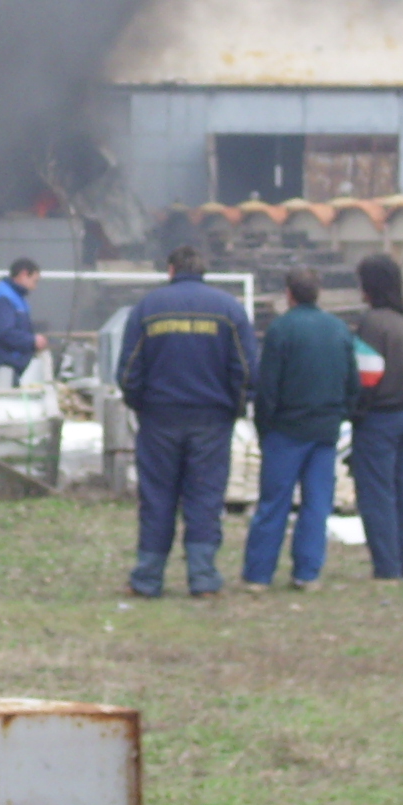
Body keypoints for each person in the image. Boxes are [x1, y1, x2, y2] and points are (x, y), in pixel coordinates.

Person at [116, 245, 258, 598]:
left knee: (157, 498)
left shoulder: (147, 308)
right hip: (212, 421)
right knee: (205, 498)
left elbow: (129, 370)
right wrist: (234, 409)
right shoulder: (229, 309)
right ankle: (204, 579)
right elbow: (246, 371)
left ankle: (148, 580)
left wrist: (141, 406)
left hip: (159, 419)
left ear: (170, 269)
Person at [243, 267, 358, 593]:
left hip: (285, 431)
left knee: (273, 504)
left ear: (288, 294)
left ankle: (258, 575)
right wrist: (340, 416)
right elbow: (352, 383)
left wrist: (264, 427)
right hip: (324, 431)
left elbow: (268, 388)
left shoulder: (281, 329)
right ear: (318, 292)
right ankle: (307, 573)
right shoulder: (339, 329)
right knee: (317, 505)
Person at [348, 253, 403, 580]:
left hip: (379, 418)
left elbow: (366, 376)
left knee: (377, 494)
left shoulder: (372, 323)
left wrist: (354, 411)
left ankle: (387, 566)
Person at [0, 257, 49, 383]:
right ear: (23, 274)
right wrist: (32, 341)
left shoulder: (15, 297)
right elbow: (4, 332)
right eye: (34, 281)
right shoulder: (3, 297)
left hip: (10, 368)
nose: (35, 287)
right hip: (1, 369)